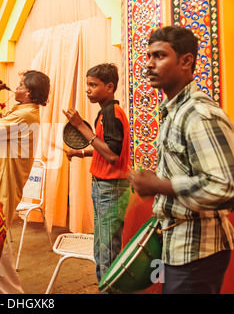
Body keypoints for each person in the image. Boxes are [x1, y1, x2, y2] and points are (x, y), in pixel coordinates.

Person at [130, 26, 234, 294]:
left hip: (199, 251)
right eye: (149, 56)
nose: (149, 64)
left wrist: (160, 186)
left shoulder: (199, 114)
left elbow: (225, 187)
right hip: (178, 245)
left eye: (160, 56)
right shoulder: (174, 111)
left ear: (186, 61)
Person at [0, 70, 50, 294]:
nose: (16, 88)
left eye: (20, 85)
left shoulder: (26, 116)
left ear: (28, 92)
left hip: (1, 184)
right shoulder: (23, 112)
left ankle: (12, 293)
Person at [63, 63, 131, 284]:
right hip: (104, 187)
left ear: (109, 87)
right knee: (102, 248)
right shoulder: (107, 112)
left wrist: (81, 127)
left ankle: (110, 288)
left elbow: (112, 156)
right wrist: (80, 152)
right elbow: (107, 148)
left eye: (93, 85)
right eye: (87, 85)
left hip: (110, 189)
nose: (88, 90)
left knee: (107, 252)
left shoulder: (112, 113)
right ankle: (107, 286)